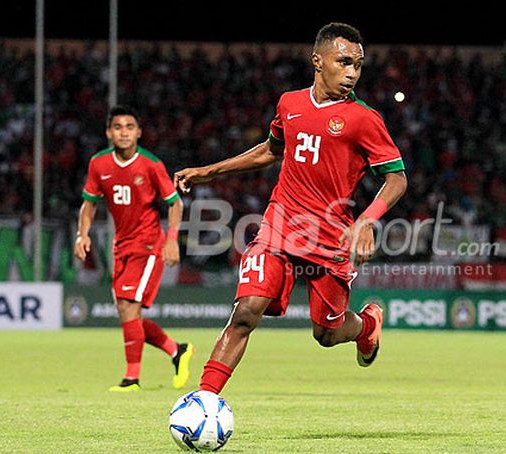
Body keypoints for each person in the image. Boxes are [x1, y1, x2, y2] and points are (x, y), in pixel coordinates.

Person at [174, 22, 407, 396]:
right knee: (247, 309)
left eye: (358, 66)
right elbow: (270, 150)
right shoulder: (290, 103)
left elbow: (397, 178)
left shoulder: (364, 119)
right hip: (280, 224)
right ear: (317, 60)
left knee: (327, 333)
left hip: (331, 237)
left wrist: (365, 222)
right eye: (343, 62)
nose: (351, 73)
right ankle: (204, 399)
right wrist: (209, 171)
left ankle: (366, 326)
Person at [74, 105, 194, 392]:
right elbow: (89, 203)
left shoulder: (151, 165)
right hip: (122, 246)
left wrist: (171, 239)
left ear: (138, 132)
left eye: (129, 127)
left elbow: (175, 202)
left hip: (149, 244)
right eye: (118, 127)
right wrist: (82, 234)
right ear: (109, 133)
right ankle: (177, 350)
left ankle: (131, 379)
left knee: (128, 307)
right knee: (128, 314)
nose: (124, 132)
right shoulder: (98, 164)